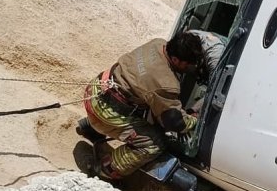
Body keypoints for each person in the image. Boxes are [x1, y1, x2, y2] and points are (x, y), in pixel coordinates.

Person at [78, 31, 206, 180]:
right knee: (154, 144)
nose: (191, 66)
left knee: (147, 110)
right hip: (105, 114)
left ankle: (90, 126)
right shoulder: (166, 84)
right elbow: (175, 122)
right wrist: (195, 121)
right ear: (175, 59)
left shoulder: (158, 44)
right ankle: (105, 170)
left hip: (95, 90)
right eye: (188, 63)